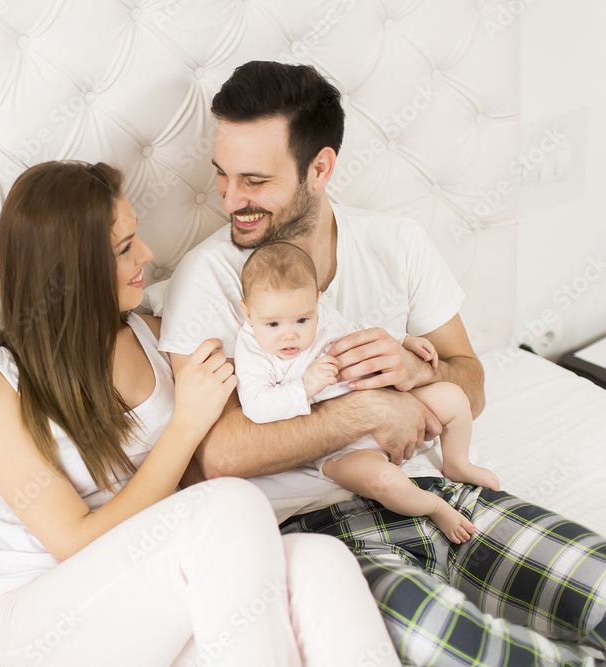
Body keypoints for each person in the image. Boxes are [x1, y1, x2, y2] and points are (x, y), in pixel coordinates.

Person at [158, 61, 606, 665]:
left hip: (436, 492)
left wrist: (420, 375)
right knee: (490, 657)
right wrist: (368, 409)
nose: (231, 200)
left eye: (254, 181)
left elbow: (468, 376)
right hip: (316, 533)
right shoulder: (209, 278)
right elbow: (215, 454)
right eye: (223, 177)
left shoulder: (396, 242)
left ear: (320, 168)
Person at [0, 160, 399, 667]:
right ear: (71, 273)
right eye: (124, 248)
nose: (146, 254)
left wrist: (402, 363)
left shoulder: (156, 335)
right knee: (229, 504)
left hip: (152, 589)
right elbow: (73, 542)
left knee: (322, 563)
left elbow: (285, 364)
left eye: (135, 237)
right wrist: (187, 424)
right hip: (48, 618)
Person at [235, 241, 500, 544]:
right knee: (385, 481)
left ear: (317, 301)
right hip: (342, 449)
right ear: (247, 312)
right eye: (272, 323)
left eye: (302, 320)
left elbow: (359, 329)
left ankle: (457, 462)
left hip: (394, 404)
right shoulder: (253, 350)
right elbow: (257, 406)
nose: (290, 334)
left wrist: (403, 340)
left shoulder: (322, 315)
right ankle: (435, 507)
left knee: (453, 397)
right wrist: (305, 386)